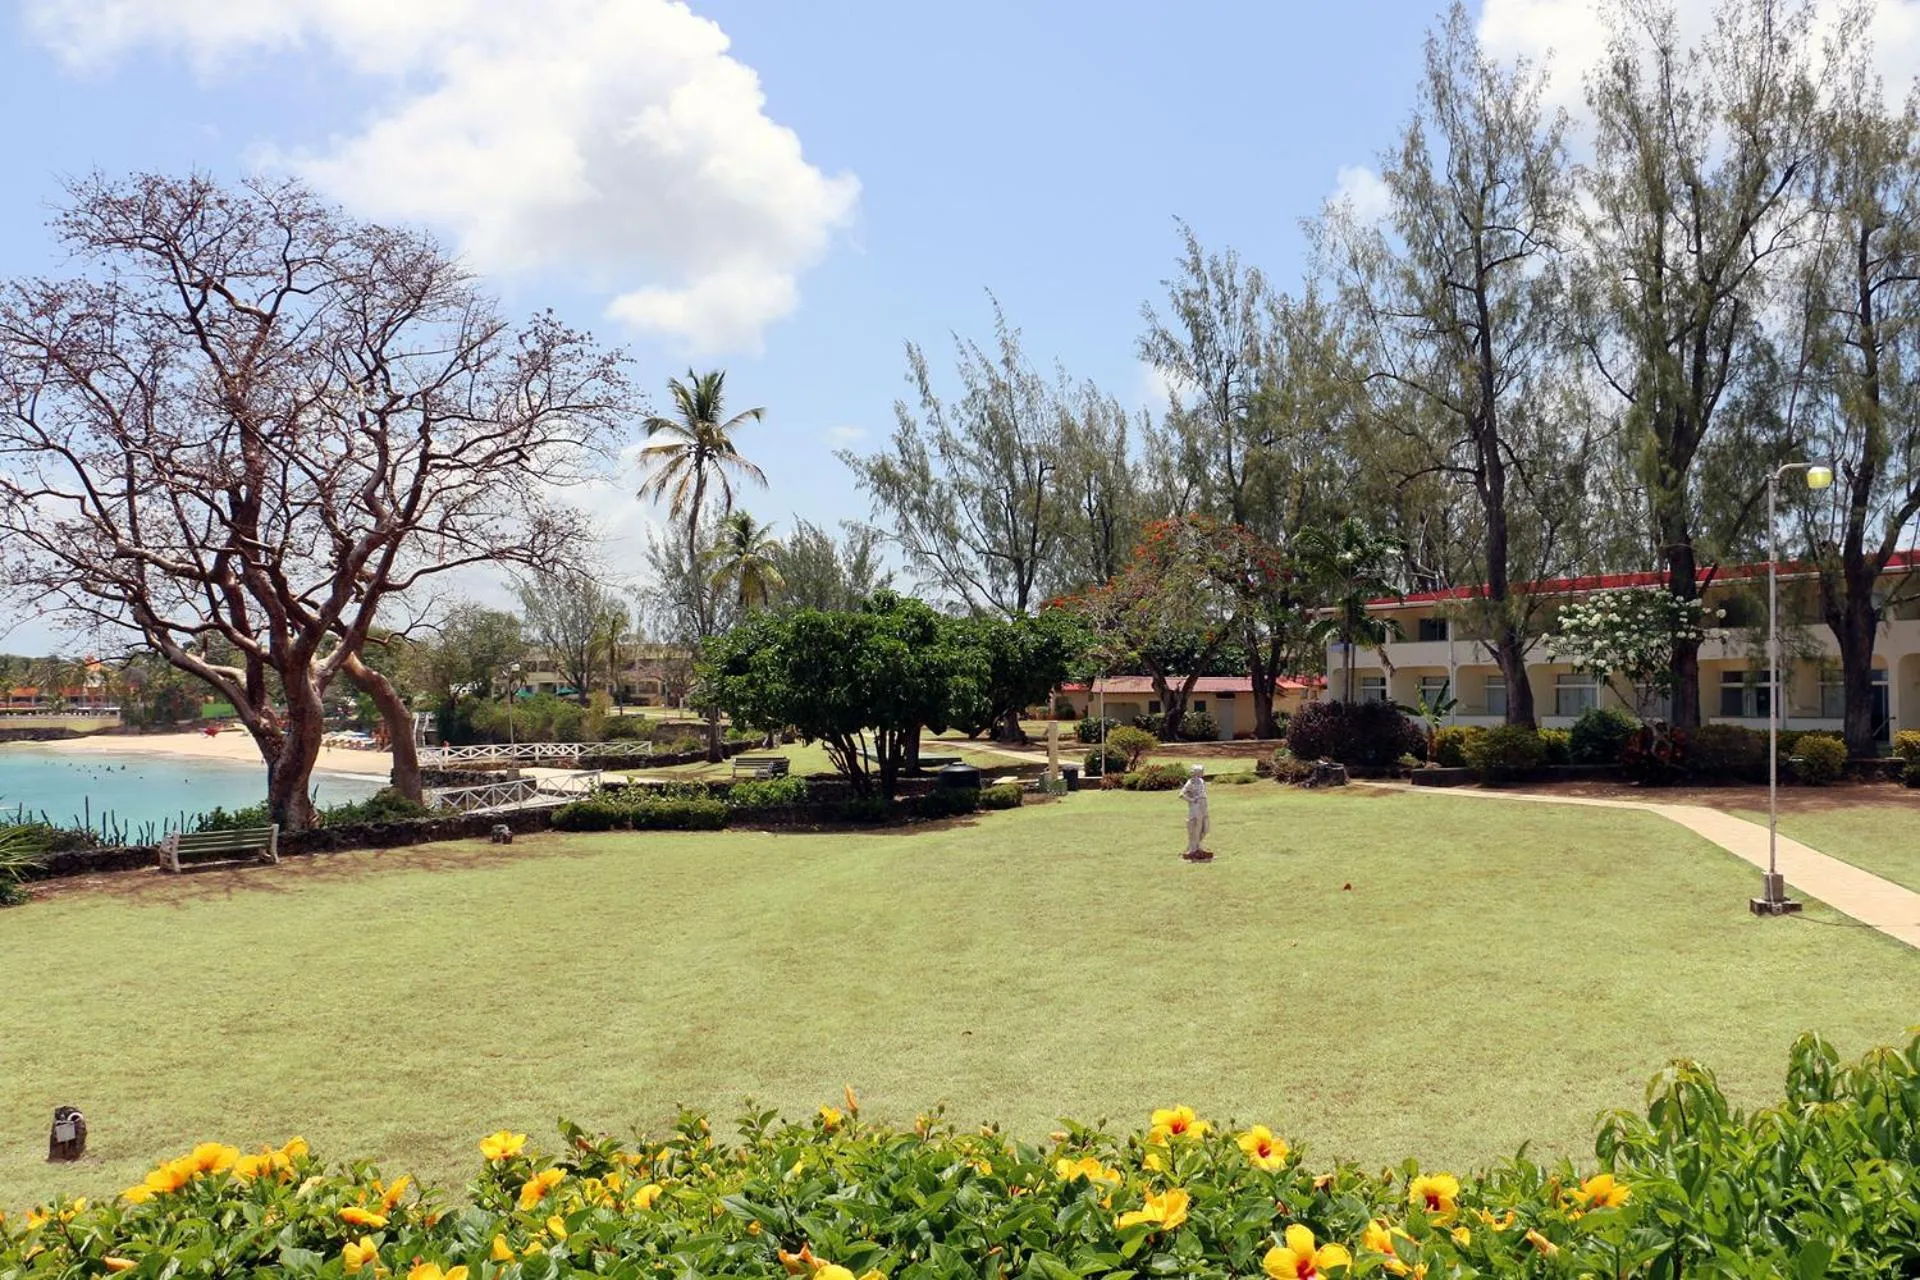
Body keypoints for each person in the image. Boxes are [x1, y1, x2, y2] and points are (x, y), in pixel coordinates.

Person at [1178, 763, 1212, 862]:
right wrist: (1192, 800)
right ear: (1196, 773)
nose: (1203, 773)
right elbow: (1181, 794)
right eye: (1201, 771)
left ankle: (1195, 845)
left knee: (1206, 828)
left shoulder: (1202, 781)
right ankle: (1195, 848)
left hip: (1204, 805)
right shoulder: (1190, 782)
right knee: (1197, 828)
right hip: (1196, 808)